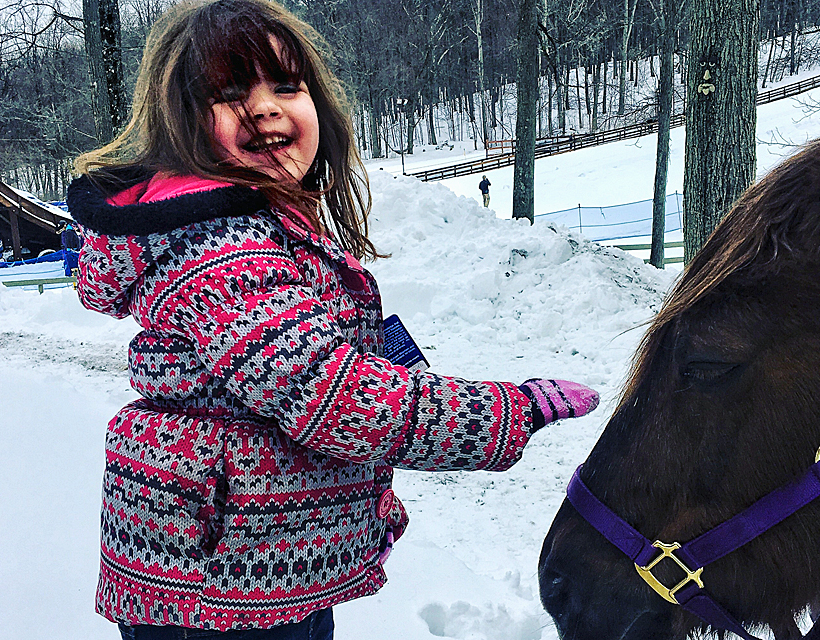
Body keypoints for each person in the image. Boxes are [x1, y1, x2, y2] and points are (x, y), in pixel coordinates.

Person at [64, 1, 599, 638]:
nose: (264, 106)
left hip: (250, 565)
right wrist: (506, 411)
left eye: (285, 85)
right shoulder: (220, 250)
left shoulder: (259, 224)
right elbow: (335, 398)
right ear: (181, 122)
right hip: (217, 592)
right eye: (230, 93)